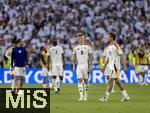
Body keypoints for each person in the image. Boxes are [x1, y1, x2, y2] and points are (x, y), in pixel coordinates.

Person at [99, 32, 129, 102]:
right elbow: (109, 58)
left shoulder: (116, 46)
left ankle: (105, 98)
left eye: (108, 37)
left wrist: (124, 66)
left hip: (115, 66)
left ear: (112, 38)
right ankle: (126, 96)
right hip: (111, 66)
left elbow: (122, 55)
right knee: (118, 82)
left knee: (110, 81)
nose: (107, 38)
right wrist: (104, 66)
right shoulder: (109, 47)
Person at [72, 33, 92, 101]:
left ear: (84, 38)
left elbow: (90, 56)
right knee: (79, 80)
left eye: (81, 38)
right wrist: (74, 66)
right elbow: (74, 57)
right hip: (79, 66)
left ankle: (85, 95)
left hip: (86, 65)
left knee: (86, 81)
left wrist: (90, 66)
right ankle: (81, 96)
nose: (80, 39)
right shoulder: (75, 47)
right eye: (79, 38)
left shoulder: (88, 46)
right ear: (78, 39)